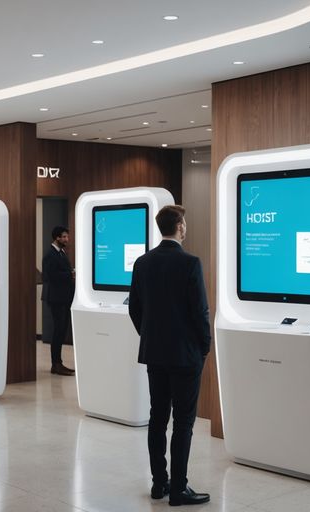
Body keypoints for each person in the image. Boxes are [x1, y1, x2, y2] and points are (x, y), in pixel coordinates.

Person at [128, 205, 211, 506]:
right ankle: (179, 488)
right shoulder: (190, 263)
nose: (186, 226)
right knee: (184, 423)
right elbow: (199, 311)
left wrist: (149, 335)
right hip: (185, 354)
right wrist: (204, 345)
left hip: (155, 353)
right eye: (184, 221)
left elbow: (134, 308)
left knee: (157, 419)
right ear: (179, 226)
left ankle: (159, 484)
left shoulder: (143, 262)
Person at [41, 226, 75, 376]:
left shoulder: (60, 253)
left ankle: (58, 363)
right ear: (57, 238)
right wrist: (70, 274)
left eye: (67, 237)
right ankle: (56, 364)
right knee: (58, 331)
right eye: (64, 237)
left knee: (61, 331)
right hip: (56, 298)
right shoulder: (50, 255)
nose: (67, 240)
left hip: (64, 298)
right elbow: (51, 276)